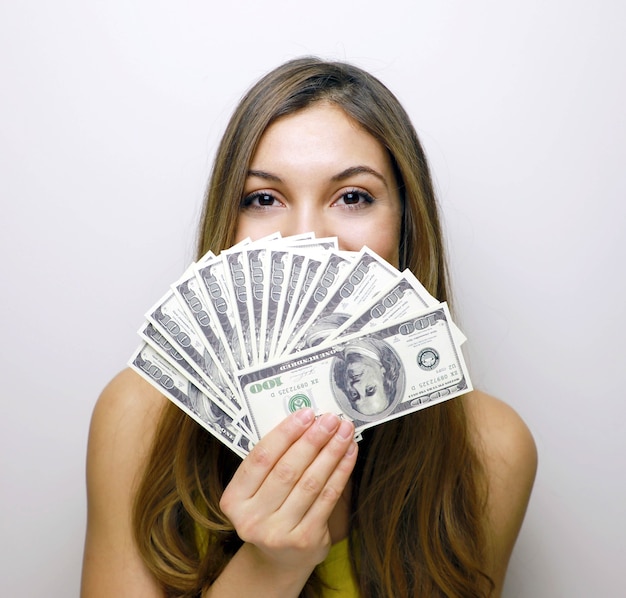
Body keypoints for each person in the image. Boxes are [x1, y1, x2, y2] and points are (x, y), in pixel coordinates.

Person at [81, 57, 537, 597]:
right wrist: (270, 569)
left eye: (352, 197)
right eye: (264, 199)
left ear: (405, 227)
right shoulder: (139, 416)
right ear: (228, 230)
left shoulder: (492, 450)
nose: (306, 240)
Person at [332, 338, 403, 418]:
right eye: (370, 389)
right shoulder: (379, 337)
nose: (356, 385)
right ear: (384, 373)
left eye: (354, 394)